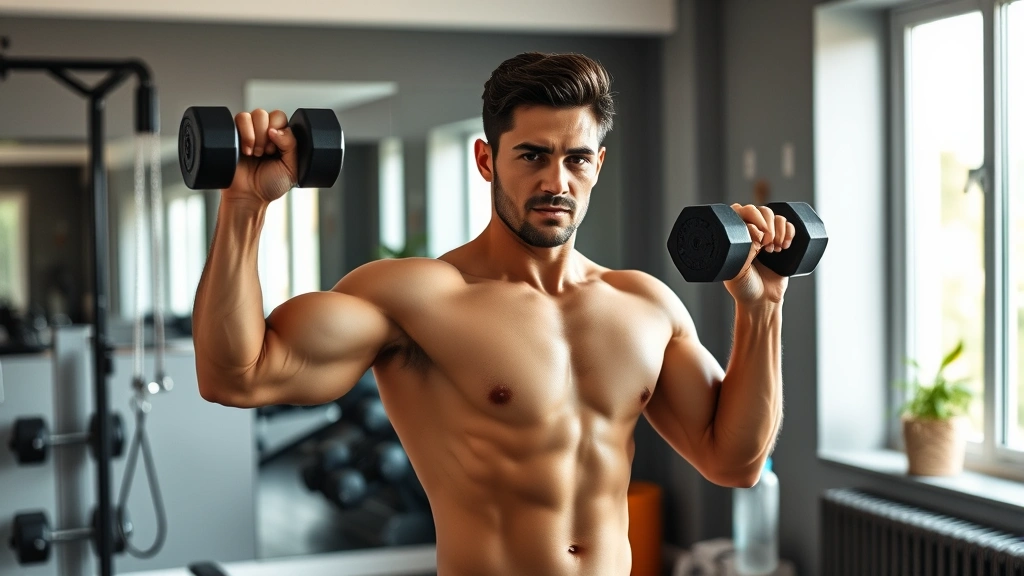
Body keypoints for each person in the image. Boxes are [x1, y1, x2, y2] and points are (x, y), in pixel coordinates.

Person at [192, 52, 794, 575]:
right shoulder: (416, 298)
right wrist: (245, 205)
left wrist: (761, 310)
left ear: (598, 165)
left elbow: (733, 462)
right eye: (531, 155)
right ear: (486, 160)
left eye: (576, 159)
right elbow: (236, 375)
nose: (556, 180)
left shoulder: (645, 304)